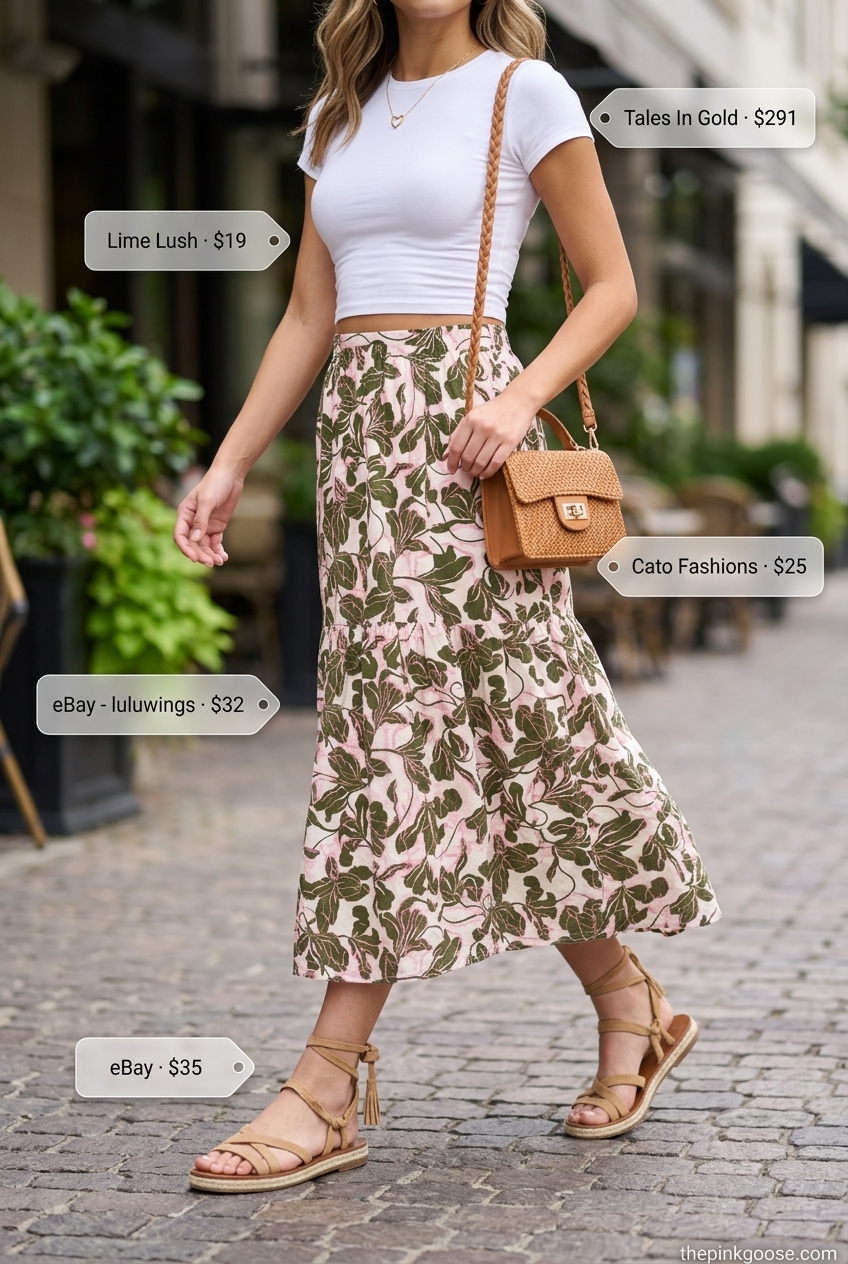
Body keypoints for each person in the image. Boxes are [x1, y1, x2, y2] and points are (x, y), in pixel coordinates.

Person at [176, 0, 720, 1195]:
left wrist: (516, 399)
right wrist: (228, 459)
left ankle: (325, 1078)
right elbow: (309, 315)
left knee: (472, 732)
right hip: (358, 455)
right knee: (445, 731)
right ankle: (629, 999)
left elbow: (611, 285)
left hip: (470, 443)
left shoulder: (524, 92)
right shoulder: (336, 113)